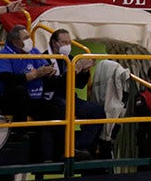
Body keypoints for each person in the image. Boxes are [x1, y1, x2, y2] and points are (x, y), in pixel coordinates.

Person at [44, 28, 105, 158]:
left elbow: (80, 85)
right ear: (54, 43)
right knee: (62, 107)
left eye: (69, 42)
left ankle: (79, 146)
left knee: (98, 111)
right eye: (64, 42)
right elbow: (53, 85)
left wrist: (84, 71)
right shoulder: (44, 58)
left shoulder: (71, 59)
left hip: (70, 97)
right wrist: (74, 71)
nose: (67, 46)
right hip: (51, 98)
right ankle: (61, 150)